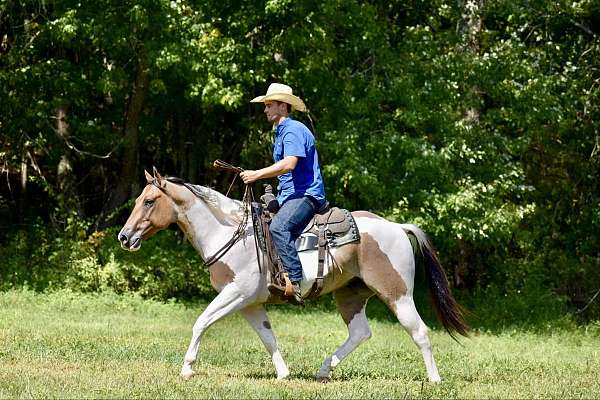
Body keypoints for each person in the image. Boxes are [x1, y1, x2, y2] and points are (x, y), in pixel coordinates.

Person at [240, 83, 326, 304]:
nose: (266, 109)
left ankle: (295, 283)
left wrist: (257, 175)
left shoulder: (293, 130)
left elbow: (289, 164)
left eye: (269, 105)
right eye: (266, 105)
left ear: (282, 106)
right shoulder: (280, 133)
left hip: (306, 195)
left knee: (279, 227)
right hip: (289, 195)